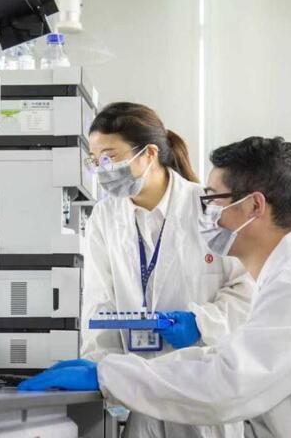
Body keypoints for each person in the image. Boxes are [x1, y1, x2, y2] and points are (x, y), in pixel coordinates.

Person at [20, 136, 291, 438]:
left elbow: (225, 384)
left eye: (213, 199)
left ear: (254, 206)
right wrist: (114, 369)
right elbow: (225, 360)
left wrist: (109, 376)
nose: (206, 212)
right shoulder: (290, 275)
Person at [75, 102, 255, 438]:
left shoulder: (209, 207)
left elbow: (248, 290)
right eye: (95, 160)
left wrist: (201, 323)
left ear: (149, 154)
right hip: (141, 396)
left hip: (204, 394)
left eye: (110, 157)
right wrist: (102, 371)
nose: (102, 169)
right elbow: (100, 302)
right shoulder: (104, 217)